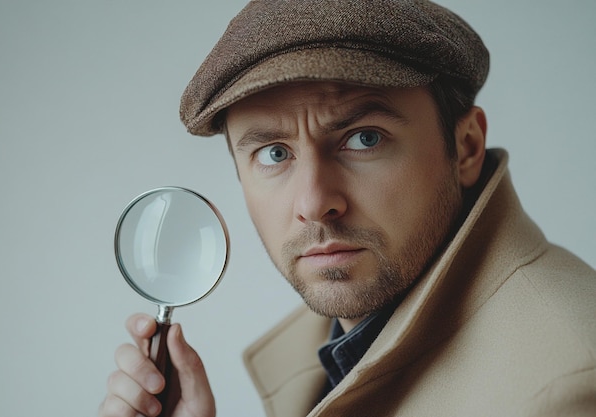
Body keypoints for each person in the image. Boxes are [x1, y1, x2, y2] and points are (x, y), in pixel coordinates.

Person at [99, 1, 596, 416]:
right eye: (274, 153)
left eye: (363, 138)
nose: (315, 204)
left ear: (465, 147)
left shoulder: (565, 388)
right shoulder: (335, 354)